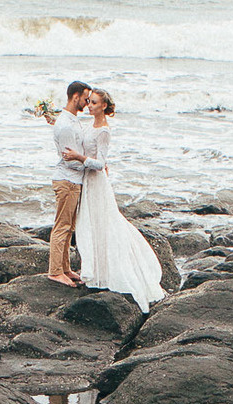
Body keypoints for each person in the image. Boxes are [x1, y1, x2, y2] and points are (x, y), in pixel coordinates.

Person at [67, 87, 166, 309]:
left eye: (94, 103)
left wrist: (78, 157)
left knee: (104, 222)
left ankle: (108, 270)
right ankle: (95, 268)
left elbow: (100, 164)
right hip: (88, 181)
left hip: (96, 182)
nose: (89, 105)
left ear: (103, 106)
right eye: (89, 102)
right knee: (90, 223)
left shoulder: (104, 130)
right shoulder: (90, 125)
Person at [38, 81, 99, 283]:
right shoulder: (65, 125)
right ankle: (55, 272)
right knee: (62, 227)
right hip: (67, 180)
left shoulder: (71, 120)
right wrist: (91, 164)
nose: (87, 102)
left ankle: (65, 268)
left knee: (69, 227)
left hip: (73, 181)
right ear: (75, 97)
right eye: (85, 98)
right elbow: (69, 159)